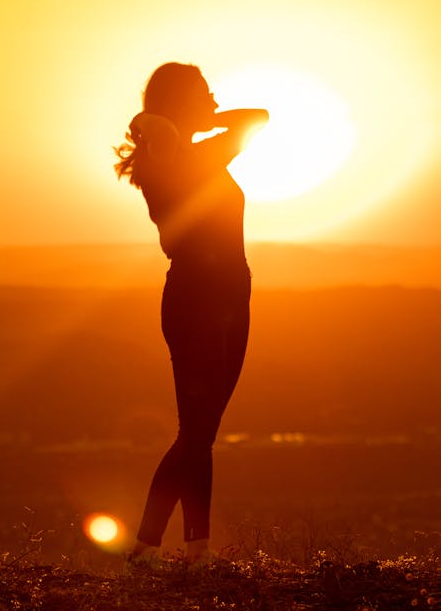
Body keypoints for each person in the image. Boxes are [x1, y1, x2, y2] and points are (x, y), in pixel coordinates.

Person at [114, 62, 268, 564]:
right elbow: (255, 121)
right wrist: (176, 128)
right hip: (196, 299)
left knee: (201, 433)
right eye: (204, 92)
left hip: (232, 296)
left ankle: (170, 547)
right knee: (196, 432)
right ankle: (170, 548)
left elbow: (257, 116)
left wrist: (183, 123)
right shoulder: (181, 165)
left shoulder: (196, 154)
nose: (215, 98)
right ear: (181, 101)